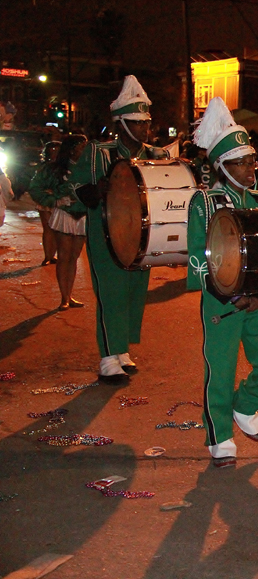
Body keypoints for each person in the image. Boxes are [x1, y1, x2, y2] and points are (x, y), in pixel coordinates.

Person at [187, 97, 258, 468]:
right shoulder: (205, 202)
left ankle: (244, 405)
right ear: (221, 166)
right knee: (221, 367)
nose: (250, 169)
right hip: (222, 301)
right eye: (242, 162)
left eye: (252, 161)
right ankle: (219, 435)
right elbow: (200, 258)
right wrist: (232, 295)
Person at [70, 75, 168, 384]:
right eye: (137, 122)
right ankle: (107, 357)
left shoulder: (155, 155)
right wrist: (94, 191)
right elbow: (76, 187)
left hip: (141, 237)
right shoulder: (98, 153)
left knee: (133, 294)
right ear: (121, 123)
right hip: (106, 236)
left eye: (146, 122)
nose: (144, 128)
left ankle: (121, 350)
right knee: (111, 293)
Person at [39, 135, 89, 310]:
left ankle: (70, 294)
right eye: (82, 146)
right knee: (64, 257)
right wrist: (55, 200)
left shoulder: (88, 167)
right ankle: (64, 298)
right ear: (73, 148)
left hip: (82, 215)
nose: (85, 150)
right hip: (65, 215)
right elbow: (35, 188)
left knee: (73, 258)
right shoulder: (56, 169)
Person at [28, 141, 61, 266]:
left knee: (55, 229)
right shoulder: (44, 169)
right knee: (48, 229)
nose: (55, 154)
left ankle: (51, 255)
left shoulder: (63, 167)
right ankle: (48, 256)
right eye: (53, 152)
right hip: (47, 201)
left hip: (57, 200)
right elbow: (35, 186)